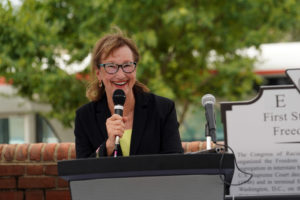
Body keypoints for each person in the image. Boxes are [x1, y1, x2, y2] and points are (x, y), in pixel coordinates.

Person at [74, 30, 183, 158]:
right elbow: (83, 172)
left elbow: (175, 163)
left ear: (135, 69)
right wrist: (108, 146)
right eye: (111, 66)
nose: (120, 75)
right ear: (99, 74)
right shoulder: (85, 117)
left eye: (127, 65)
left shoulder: (163, 109)